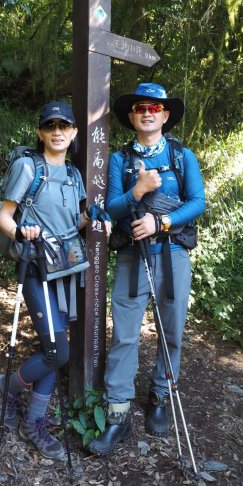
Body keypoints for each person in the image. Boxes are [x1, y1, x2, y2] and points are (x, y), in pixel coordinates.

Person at [88, 83, 206, 456]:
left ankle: (159, 395)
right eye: (141, 107)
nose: (148, 112)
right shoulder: (121, 161)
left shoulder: (181, 156)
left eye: (155, 107)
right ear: (133, 116)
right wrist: (137, 191)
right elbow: (111, 209)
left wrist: (163, 222)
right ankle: (117, 414)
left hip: (172, 255)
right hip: (132, 257)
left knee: (171, 330)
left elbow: (198, 202)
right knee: (124, 334)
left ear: (165, 115)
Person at [0, 101, 111, 460]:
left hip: (64, 270)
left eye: (64, 126)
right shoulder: (28, 167)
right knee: (57, 350)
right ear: (41, 131)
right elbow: (4, 217)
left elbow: (70, 225)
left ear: (74, 132)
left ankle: (33, 422)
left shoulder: (74, 175)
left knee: (54, 352)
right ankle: (6, 388)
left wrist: (90, 217)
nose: (57, 131)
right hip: (36, 268)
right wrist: (21, 233)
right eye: (50, 125)